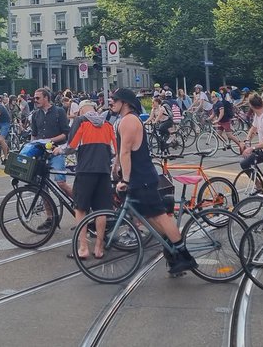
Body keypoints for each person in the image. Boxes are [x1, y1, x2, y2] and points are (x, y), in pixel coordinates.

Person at [108, 88, 198, 276]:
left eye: (114, 100)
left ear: (125, 102)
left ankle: (183, 254)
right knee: (148, 216)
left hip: (141, 177)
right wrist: (115, 167)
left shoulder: (129, 121)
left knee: (159, 216)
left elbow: (125, 152)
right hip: (139, 176)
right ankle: (171, 248)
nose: (111, 102)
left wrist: (124, 178)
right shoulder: (124, 121)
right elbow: (120, 151)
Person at [55, 100, 115, 259]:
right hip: (104, 171)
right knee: (101, 210)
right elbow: (114, 150)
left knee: (80, 208)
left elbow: (72, 146)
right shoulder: (107, 124)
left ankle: (83, 248)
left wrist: (58, 150)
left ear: (81, 110)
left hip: (85, 170)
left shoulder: (81, 121)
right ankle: (99, 247)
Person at [30, 87, 72, 198]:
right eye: (34, 98)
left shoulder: (59, 111)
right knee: (42, 186)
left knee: (61, 182)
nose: (35, 100)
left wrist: (50, 140)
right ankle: (50, 215)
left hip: (56, 151)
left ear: (46, 98)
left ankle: (81, 205)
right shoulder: (35, 114)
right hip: (41, 153)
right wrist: (31, 149)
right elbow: (34, 135)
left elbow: (65, 134)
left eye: (38, 98)